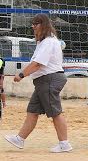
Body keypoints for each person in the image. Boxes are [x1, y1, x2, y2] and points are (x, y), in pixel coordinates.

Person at [3, 14, 71, 152]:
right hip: (43, 81)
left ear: (44, 25)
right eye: (33, 23)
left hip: (49, 79)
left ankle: (64, 144)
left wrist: (21, 74)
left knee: (55, 112)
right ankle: (20, 139)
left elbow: (38, 64)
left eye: (36, 23)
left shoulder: (49, 42)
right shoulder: (44, 41)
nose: (33, 26)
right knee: (32, 111)